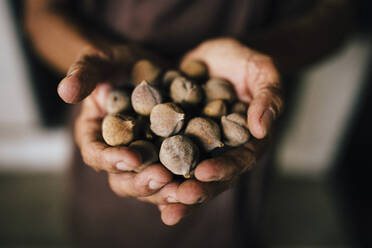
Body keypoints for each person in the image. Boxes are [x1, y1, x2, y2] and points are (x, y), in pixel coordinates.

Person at [24, 0, 352, 247]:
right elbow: (40, 11)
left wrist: (261, 55)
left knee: (231, 215)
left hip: (245, 97)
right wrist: (90, 57)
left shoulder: (206, 115)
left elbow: (339, 14)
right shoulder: (137, 112)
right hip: (111, 88)